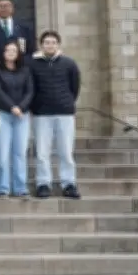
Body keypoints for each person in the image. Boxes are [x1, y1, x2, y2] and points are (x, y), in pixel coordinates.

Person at [29, 30, 81, 199]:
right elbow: (31, 87)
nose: (50, 45)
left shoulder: (69, 63)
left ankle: (69, 184)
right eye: (46, 43)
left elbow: (75, 86)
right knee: (42, 152)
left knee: (66, 151)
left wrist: (67, 102)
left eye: (53, 42)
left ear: (58, 45)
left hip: (64, 113)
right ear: (41, 45)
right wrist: (35, 105)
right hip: (42, 114)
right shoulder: (33, 64)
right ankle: (43, 183)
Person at [0, 41, 34, 198]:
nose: (10, 52)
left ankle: (20, 187)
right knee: (2, 154)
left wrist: (21, 107)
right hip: (3, 114)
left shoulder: (26, 71)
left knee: (20, 153)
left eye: (14, 50)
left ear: (18, 53)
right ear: (3, 53)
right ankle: (2, 188)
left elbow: (30, 91)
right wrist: (12, 107)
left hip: (22, 116)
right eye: (7, 50)